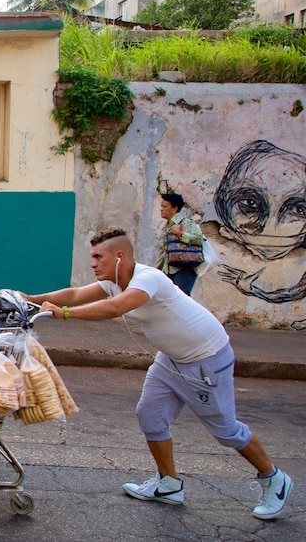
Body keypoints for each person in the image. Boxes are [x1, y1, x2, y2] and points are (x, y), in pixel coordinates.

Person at [21, 227, 292, 520]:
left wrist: (65, 314)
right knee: (150, 415)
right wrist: (29, 299)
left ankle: (274, 478)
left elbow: (116, 308)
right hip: (171, 359)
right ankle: (169, 485)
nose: (93, 264)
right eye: (92, 257)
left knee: (226, 431)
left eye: (99, 257)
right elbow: (74, 294)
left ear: (119, 256)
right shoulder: (113, 282)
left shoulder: (147, 279)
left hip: (206, 359)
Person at [157, 192, 204, 295]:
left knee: (181, 301)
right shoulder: (166, 226)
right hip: (168, 270)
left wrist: (180, 233)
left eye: (164, 206)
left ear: (174, 208)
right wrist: (157, 270)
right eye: (161, 206)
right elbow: (164, 252)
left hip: (184, 268)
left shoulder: (185, 222)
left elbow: (199, 239)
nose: (161, 209)